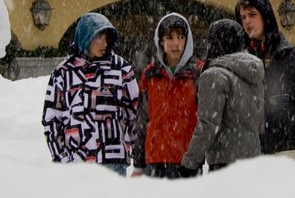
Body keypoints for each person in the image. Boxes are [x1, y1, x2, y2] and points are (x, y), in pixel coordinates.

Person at [237, 0, 295, 172]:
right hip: (248, 158)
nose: (246, 21)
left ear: (266, 17)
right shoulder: (239, 60)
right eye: (243, 17)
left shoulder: (293, 58)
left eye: (252, 15)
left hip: (286, 155)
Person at [42, 12, 139, 176]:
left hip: (113, 162)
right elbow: (51, 119)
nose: (104, 43)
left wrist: (138, 156)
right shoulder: (63, 72)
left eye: (106, 37)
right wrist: (61, 158)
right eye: (99, 37)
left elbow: (135, 112)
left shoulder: (121, 68)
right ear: (86, 37)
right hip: (76, 163)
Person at [181, 19, 265, 174]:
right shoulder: (253, 73)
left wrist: (190, 161)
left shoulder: (214, 76)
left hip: (225, 161)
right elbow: (259, 122)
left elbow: (208, 124)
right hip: (253, 161)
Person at [131, 13, 202, 179]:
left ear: (188, 40)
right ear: (161, 41)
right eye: (170, 37)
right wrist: (138, 164)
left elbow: (205, 121)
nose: (176, 43)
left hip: (188, 162)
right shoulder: (150, 74)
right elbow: (142, 121)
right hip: (155, 161)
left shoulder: (198, 73)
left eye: (181, 37)